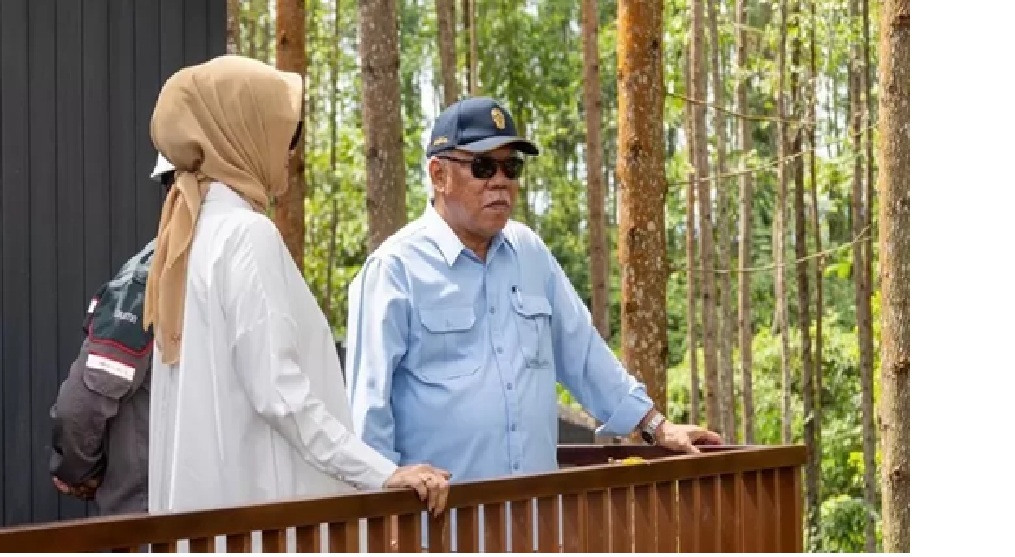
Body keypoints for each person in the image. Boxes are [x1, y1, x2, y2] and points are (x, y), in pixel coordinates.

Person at [346, 97, 723, 484]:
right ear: (438, 175)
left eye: (511, 167)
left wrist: (657, 426)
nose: (500, 181)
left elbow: (584, 355)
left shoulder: (529, 253)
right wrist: (385, 493)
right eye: (483, 166)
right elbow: (368, 409)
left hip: (533, 514)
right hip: (443, 518)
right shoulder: (394, 269)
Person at [143, 55, 450, 516]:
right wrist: (381, 472)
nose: (291, 151)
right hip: (264, 519)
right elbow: (280, 392)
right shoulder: (245, 236)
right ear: (242, 133)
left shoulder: (189, 233)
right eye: (286, 134)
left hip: (209, 522)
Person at [48, 155, 175, 516]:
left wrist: (79, 472)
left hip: (150, 520)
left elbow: (78, 410)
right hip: (191, 523)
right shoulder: (150, 283)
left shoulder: (150, 278)